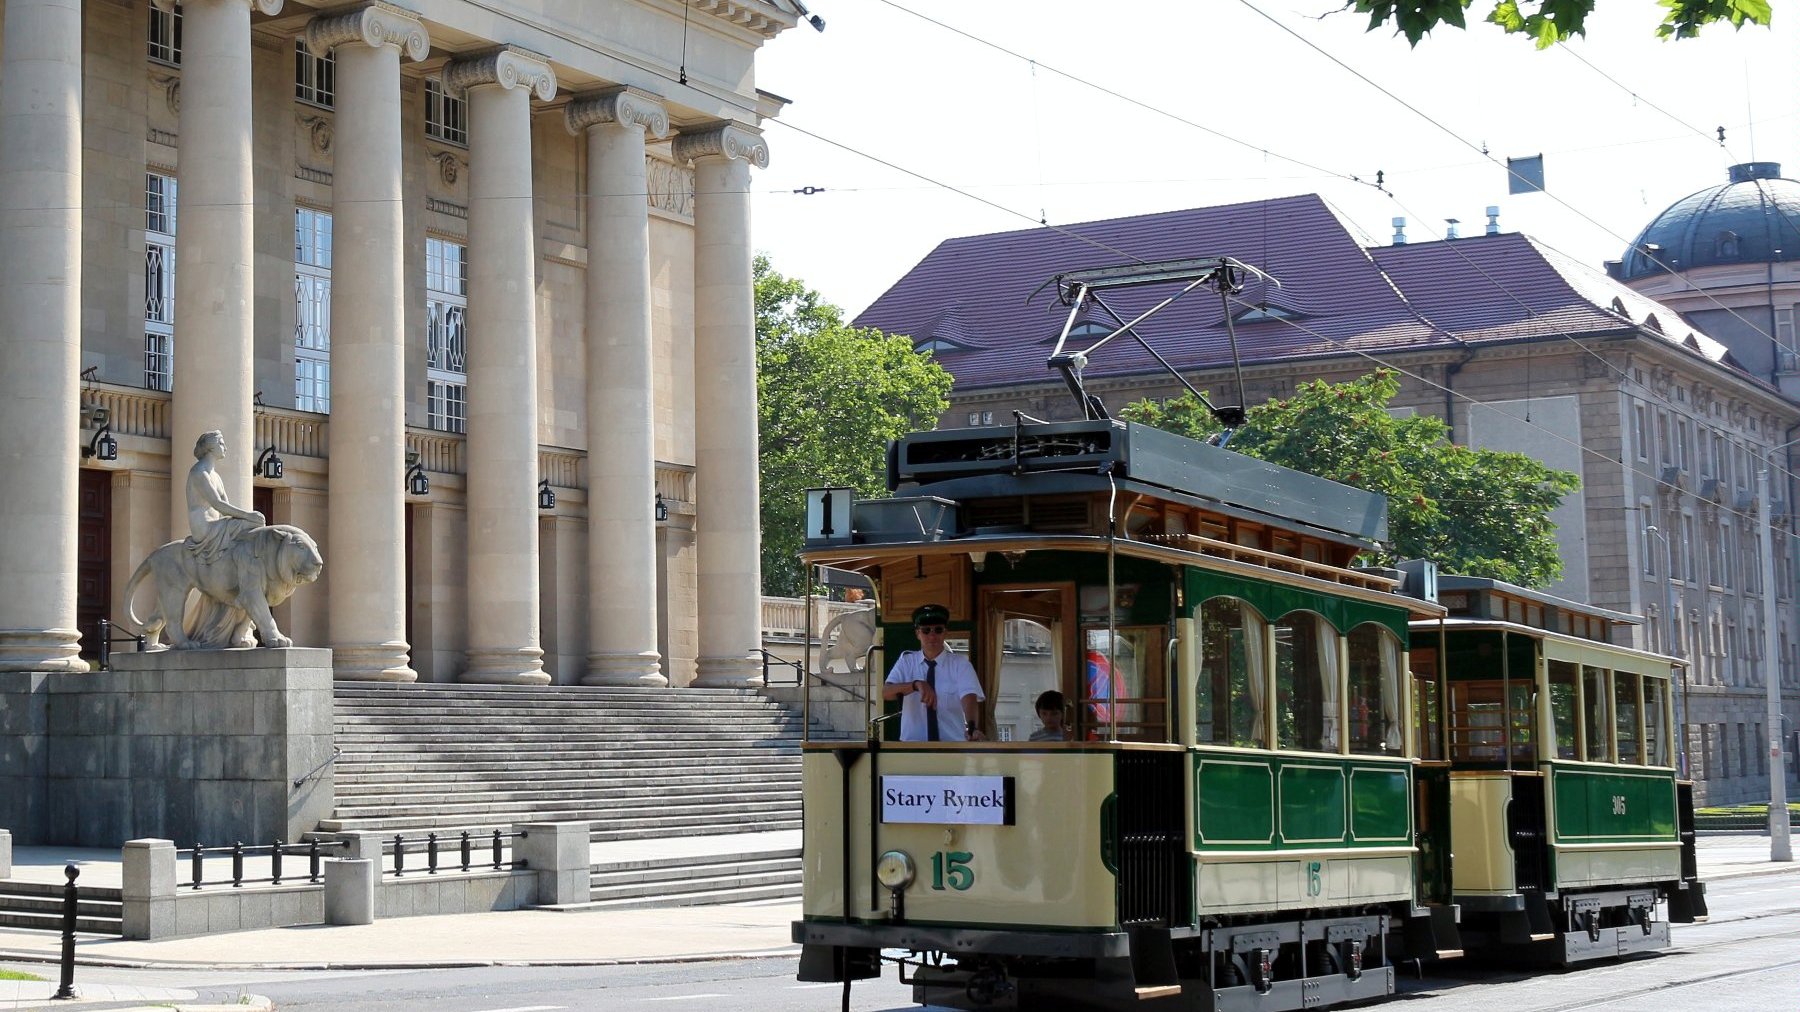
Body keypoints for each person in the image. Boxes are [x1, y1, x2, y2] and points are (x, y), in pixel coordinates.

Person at [882, 603, 986, 742]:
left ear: (945, 632)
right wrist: (916, 685)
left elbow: (969, 697)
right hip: (912, 749)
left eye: (938, 630)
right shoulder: (906, 661)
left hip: (951, 748)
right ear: (918, 633)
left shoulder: (960, 664)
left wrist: (972, 726)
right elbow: (886, 692)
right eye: (926, 630)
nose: (932, 636)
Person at [185, 430, 266, 565]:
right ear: (211, 447)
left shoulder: (216, 476)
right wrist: (247, 515)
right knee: (254, 521)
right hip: (204, 528)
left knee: (256, 521)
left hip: (217, 525)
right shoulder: (199, 472)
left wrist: (244, 517)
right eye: (221, 444)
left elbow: (226, 507)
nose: (226, 448)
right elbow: (217, 504)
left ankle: (247, 560)